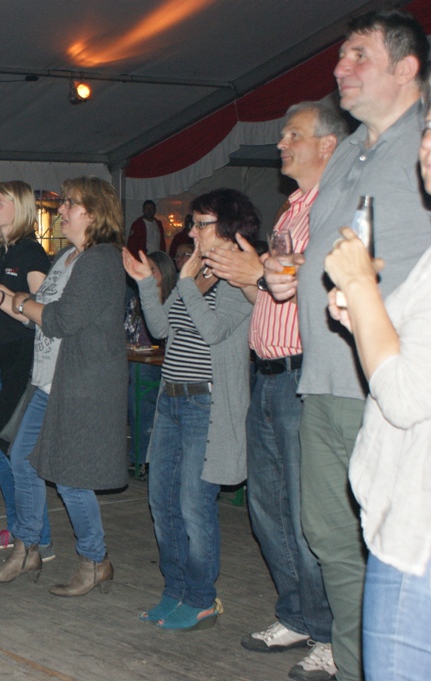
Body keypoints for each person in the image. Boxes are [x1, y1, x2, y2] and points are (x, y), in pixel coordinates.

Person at [264, 11, 431, 680]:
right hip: (324, 378)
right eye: (340, 57)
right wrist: (292, 275)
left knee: (391, 547)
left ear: (406, 67)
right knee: (332, 539)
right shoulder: (350, 149)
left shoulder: (424, 140)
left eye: (359, 55)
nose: (340, 68)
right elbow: (338, 249)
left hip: (391, 386)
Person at [206, 100, 344, 680]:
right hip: (266, 376)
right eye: (283, 134)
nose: (281, 143)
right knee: (268, 510)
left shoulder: (332, 207)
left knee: (308, 514)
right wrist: (244, 277)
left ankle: (332, 636)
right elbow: (267, 295)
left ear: (328, 146)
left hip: (301, 377)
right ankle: (297, 615)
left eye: (293, 135)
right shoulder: (292, 210)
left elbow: (323, 281)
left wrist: (260, 273)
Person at [0, 176, 127, 595]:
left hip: (79, 385)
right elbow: (36, 318)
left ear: (93, 212)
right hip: (48, 382)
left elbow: (59, 320)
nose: (61, 210)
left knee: (70, 477)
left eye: (70, 203)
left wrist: (19, 300)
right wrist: (1, 298)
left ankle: (95, 560)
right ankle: (27, 548)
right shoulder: (66, 258)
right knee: (23, 461)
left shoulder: (101, 260)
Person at [321, 97, 431, 678]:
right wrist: (359, 314)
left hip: (418, 541)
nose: (427, 145)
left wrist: (362, 286)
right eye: (428, 128)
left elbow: (407, 395)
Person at [124, 188, 258, 630]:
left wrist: (184, 283)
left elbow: (214, 330)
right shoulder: (196, 272)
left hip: (207, 403)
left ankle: (201, 597)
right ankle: (175, 590)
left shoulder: (239, 278)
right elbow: (162, 327)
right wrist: (146, 284)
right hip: (171, 398)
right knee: (161, 500)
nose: (192, 231)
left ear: (228, 227)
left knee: (193, 505)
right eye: (193, 223)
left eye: (201, 224)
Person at [0, 181, 52, 556]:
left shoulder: (30, 252)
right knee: (1, 447)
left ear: (19, 208)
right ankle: (21, 529)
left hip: (24, 359)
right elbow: (6, 313)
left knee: (15, 449)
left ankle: (37, 538)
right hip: (2, 356)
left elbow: (38, 314)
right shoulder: (4, 253)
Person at [125, 250, 177, 470]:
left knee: (140, 382)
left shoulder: (174, 299)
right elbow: (128, 332)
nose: (148, 274)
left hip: (161, 364)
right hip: (138, 358)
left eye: (153, 270)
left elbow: (164, 336)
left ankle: (141, 456)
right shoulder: (137, 299)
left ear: (165, 272)